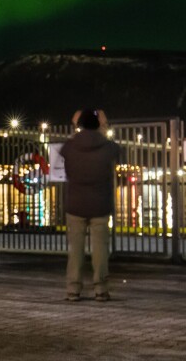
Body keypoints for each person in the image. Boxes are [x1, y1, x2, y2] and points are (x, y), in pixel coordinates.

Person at [59, 108, 122, 302]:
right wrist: (104, 126)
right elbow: (115, 149)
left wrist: (74, 126)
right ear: (98, 125)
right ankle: (100, 289)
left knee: (75, 250)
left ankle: (73, 289)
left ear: (79, 125)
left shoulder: (69, 146)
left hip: (76, 204)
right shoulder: (109, 147)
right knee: (101, 249)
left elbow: (69, 145)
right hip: (100, 204)